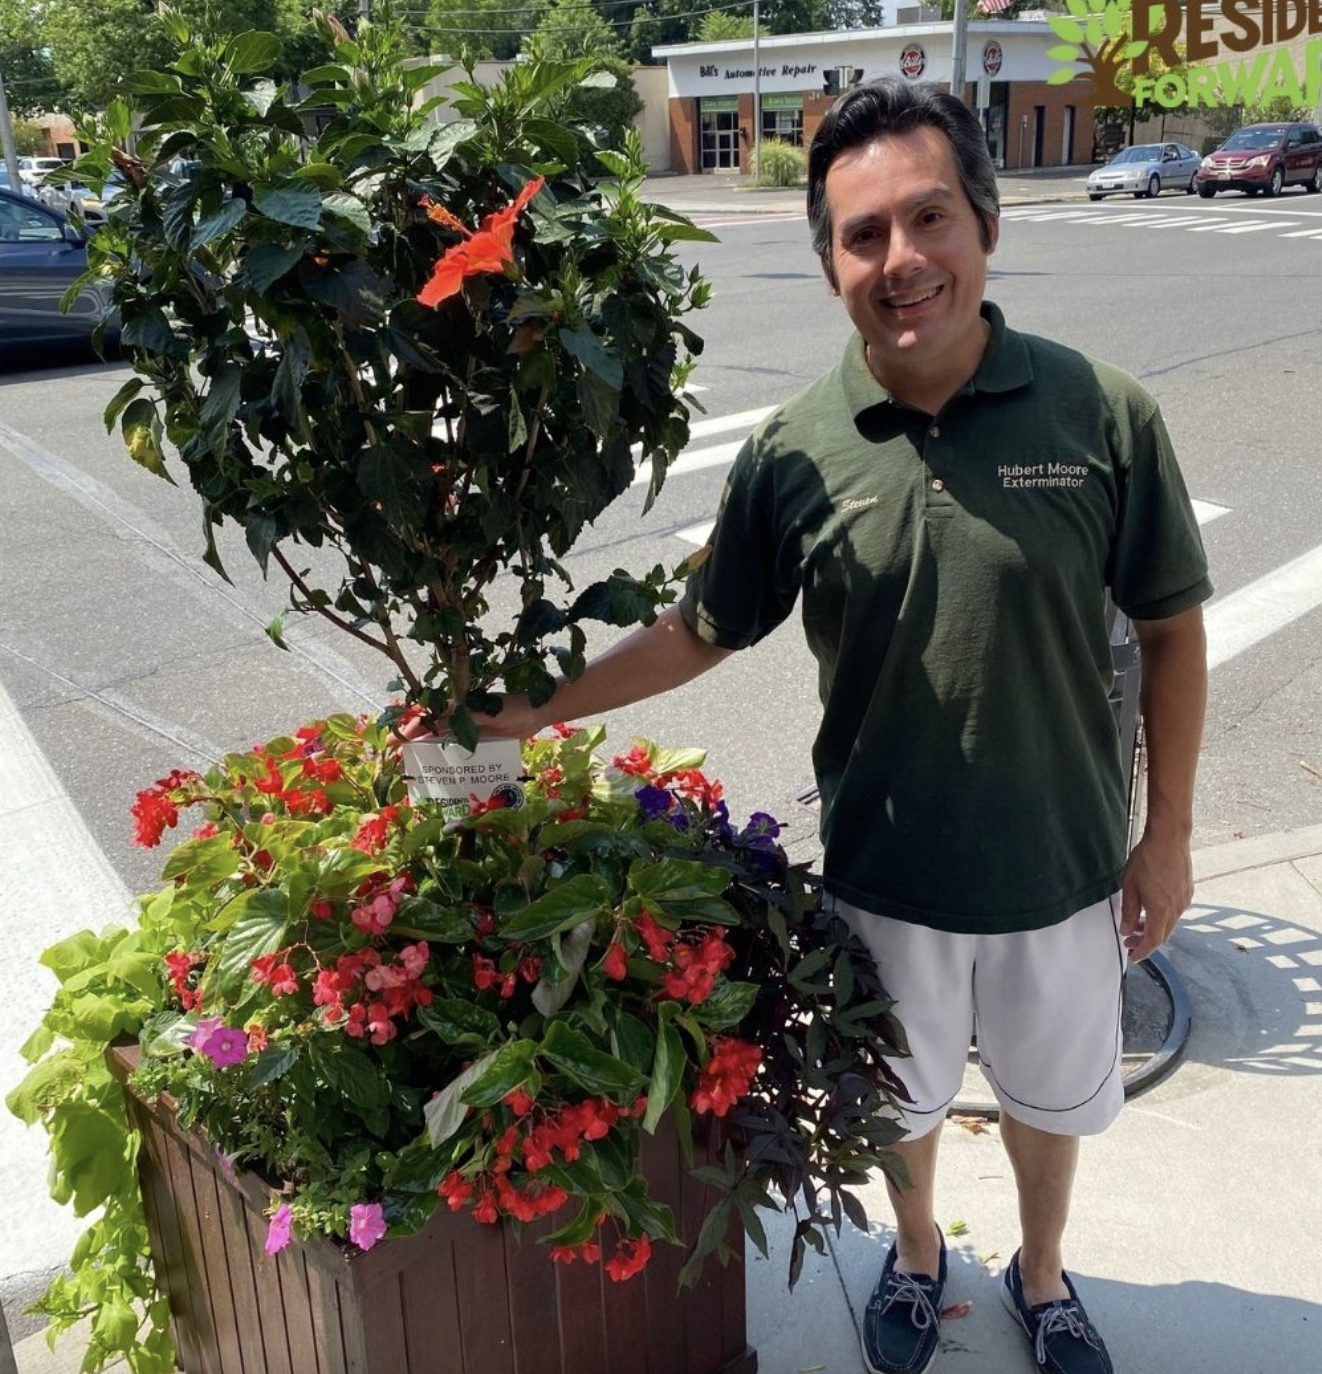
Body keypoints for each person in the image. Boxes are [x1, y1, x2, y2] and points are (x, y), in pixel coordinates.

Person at [447, 79, 1211, 1374]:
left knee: (1048, 1102)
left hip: (1064, 871)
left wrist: (1166, 841)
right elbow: (700, 629)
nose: (900, 260)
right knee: (899, 1107)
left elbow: (1171, 630)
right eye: (863, 236)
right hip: (882, 875)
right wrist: (519, 706)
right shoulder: (796, 448)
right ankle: (915, 1255)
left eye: (928, 218)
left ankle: (1037, 1270)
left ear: (984, 224)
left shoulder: (1101, 413)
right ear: (827, 264)